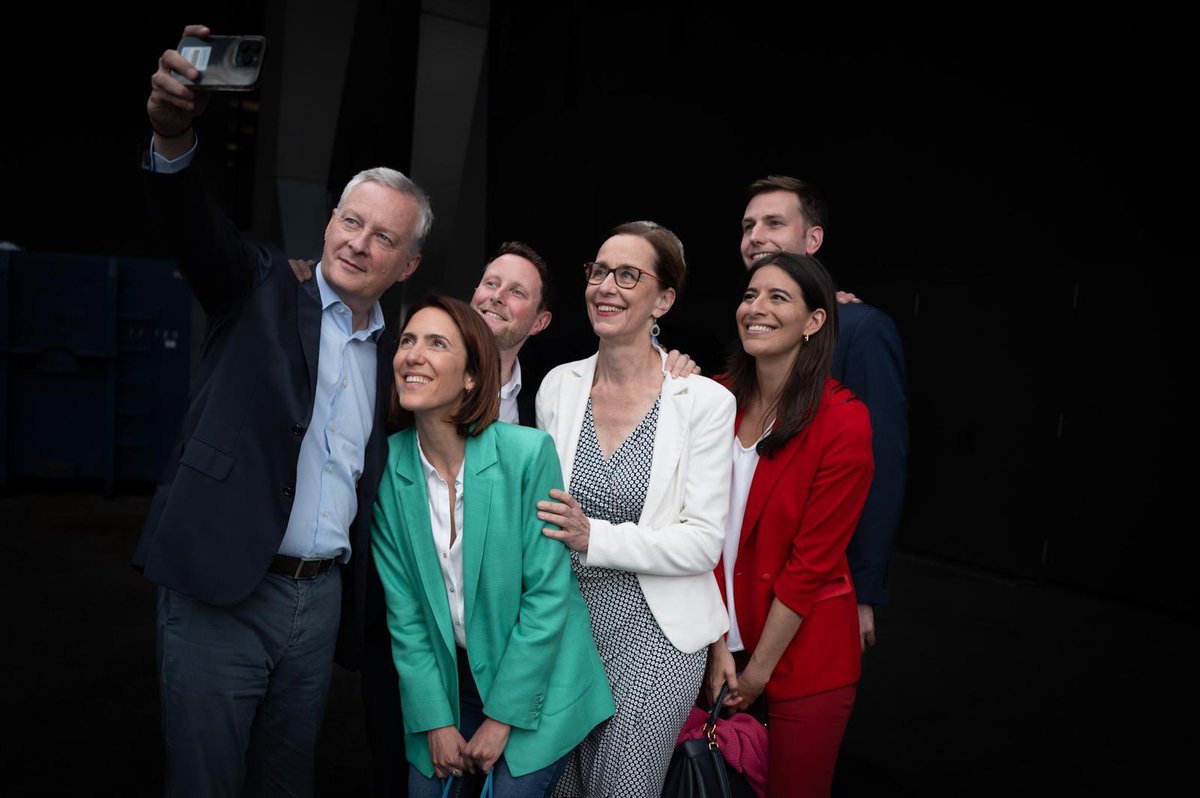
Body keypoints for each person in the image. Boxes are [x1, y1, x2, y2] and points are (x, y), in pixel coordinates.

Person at [134, 25, 430, 795]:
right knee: (204, 783)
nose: (359, 243)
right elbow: (193, 225)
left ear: (407, 265)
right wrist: (174, 133)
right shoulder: (261, 285)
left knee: (285, 783)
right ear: (330, 220)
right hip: (222, 590)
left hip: (319, 601)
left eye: (382, 236)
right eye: (350, 220)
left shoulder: (398, 353)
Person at [371, 295, 614, 797]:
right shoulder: (389, 469)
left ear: (471, 376)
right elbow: (407, 614)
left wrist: (502, 718)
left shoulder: (527, 454)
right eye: (408, 341)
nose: (413, 355)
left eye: (437, 344)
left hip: (537, 684)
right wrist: (434, 720)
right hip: (447, 683)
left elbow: (547, 598)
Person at [535, 221, 735, 796]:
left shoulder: (703, 402)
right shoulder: (558, 387)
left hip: (656, 635)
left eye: (628, 275)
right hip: (566, 625)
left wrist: (591, 537)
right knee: (559, 788)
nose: (606, 286)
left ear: (664, 299)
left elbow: (701, 542)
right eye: (598, 271)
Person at [706, 252, 874, 798]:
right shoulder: (711, 398)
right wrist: (715, 648)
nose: (757, 308)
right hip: (710, 649)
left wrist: (757, 673)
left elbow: (810, 566)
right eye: (751, 295)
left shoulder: (844, 420)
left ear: (814, 321)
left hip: (805, 658)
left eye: (779, 298)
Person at [740, 176, 908, 650]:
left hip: (821, 581)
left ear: (812, 239)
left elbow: (883, 465)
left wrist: (863, 588)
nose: (756, 236)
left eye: (774, 222)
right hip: (747, 583)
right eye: (748, 225)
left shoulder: (859, 328)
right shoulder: (751, 327)